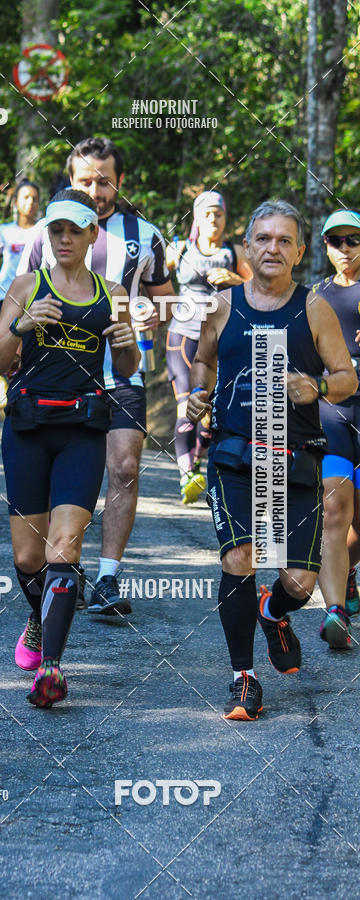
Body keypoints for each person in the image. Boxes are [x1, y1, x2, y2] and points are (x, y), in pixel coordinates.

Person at [187, 199, 356, 721]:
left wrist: (319, 386)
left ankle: (272, 611)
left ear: (301, 252)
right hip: (235, 455)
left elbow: (348, 376)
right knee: (240, 559)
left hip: (296, 456)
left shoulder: (314, 307)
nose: (273, 249)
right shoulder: (221, 305)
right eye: (264, 239)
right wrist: (198, 393)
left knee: (299, 584)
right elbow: (203, 361)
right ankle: (244, 677)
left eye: (285, 241)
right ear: (247, 246)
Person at [0, 189, 140, 708]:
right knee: (28, 556)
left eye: (76, 230)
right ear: (47, 235)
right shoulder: (29, 285)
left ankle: (51, 669)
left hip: (82, 430)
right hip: (28, 427)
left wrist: (125, 345)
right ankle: (39, 615)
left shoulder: (112, 291)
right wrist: (21, 325)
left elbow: (124, 368)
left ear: (93, 233)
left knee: (63, 548)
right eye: (56, 230)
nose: (65, 238)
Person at [17, 137, 173, 617]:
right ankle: (61, 563)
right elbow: (16, 301)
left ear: (119, 182)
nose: (96, 189)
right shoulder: (43, 236)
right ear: (70, 181)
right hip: (53, 375)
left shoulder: (144, 234)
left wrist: (151, 316)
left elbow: (164, 299)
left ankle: (107, 577)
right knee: (52, 474)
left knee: (124, 466)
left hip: (120, 369)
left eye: (104, 181)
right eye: (86, 180)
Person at [165, 191, 251, 503]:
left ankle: (197, 460)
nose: (213, 219)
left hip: (220, 339)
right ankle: (187, 473)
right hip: (182, 337)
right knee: (186, 404)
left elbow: (261, 288)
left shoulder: (234, 252)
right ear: (197, 218)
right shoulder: (181, 247)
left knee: (209, 412)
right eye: (207, 214)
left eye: (219, 214)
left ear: (226, 218)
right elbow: (153, 275)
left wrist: (234, 279)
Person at [311, 210, 360, 647]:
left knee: (356, 524)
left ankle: (348, 575)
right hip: (334, 415)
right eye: (335, 242)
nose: (343, 250)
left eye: (353, 241)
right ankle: (336, 611)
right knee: (334, 512)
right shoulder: (316, 297)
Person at [0, 180, 40, 301]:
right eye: (26, 197)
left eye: (34, 199)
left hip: (33, 296)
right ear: (16, 201)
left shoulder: (42, 230)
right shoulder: (4, 230)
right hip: (5, 293)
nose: (30, 202)